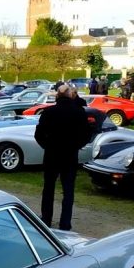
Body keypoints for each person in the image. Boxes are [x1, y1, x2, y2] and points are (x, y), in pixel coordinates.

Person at [34, 84, 90, 231]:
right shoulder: (79, 113)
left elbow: (38, 134)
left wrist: (47, 146)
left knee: (48, 189)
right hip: (70, 156)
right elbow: (86, 135)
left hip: (52, 155)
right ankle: (65, 223)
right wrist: (75, 146)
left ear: (57, 96)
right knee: (68, 191)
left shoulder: (49, 112)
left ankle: (46, 219)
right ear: (70, 95)